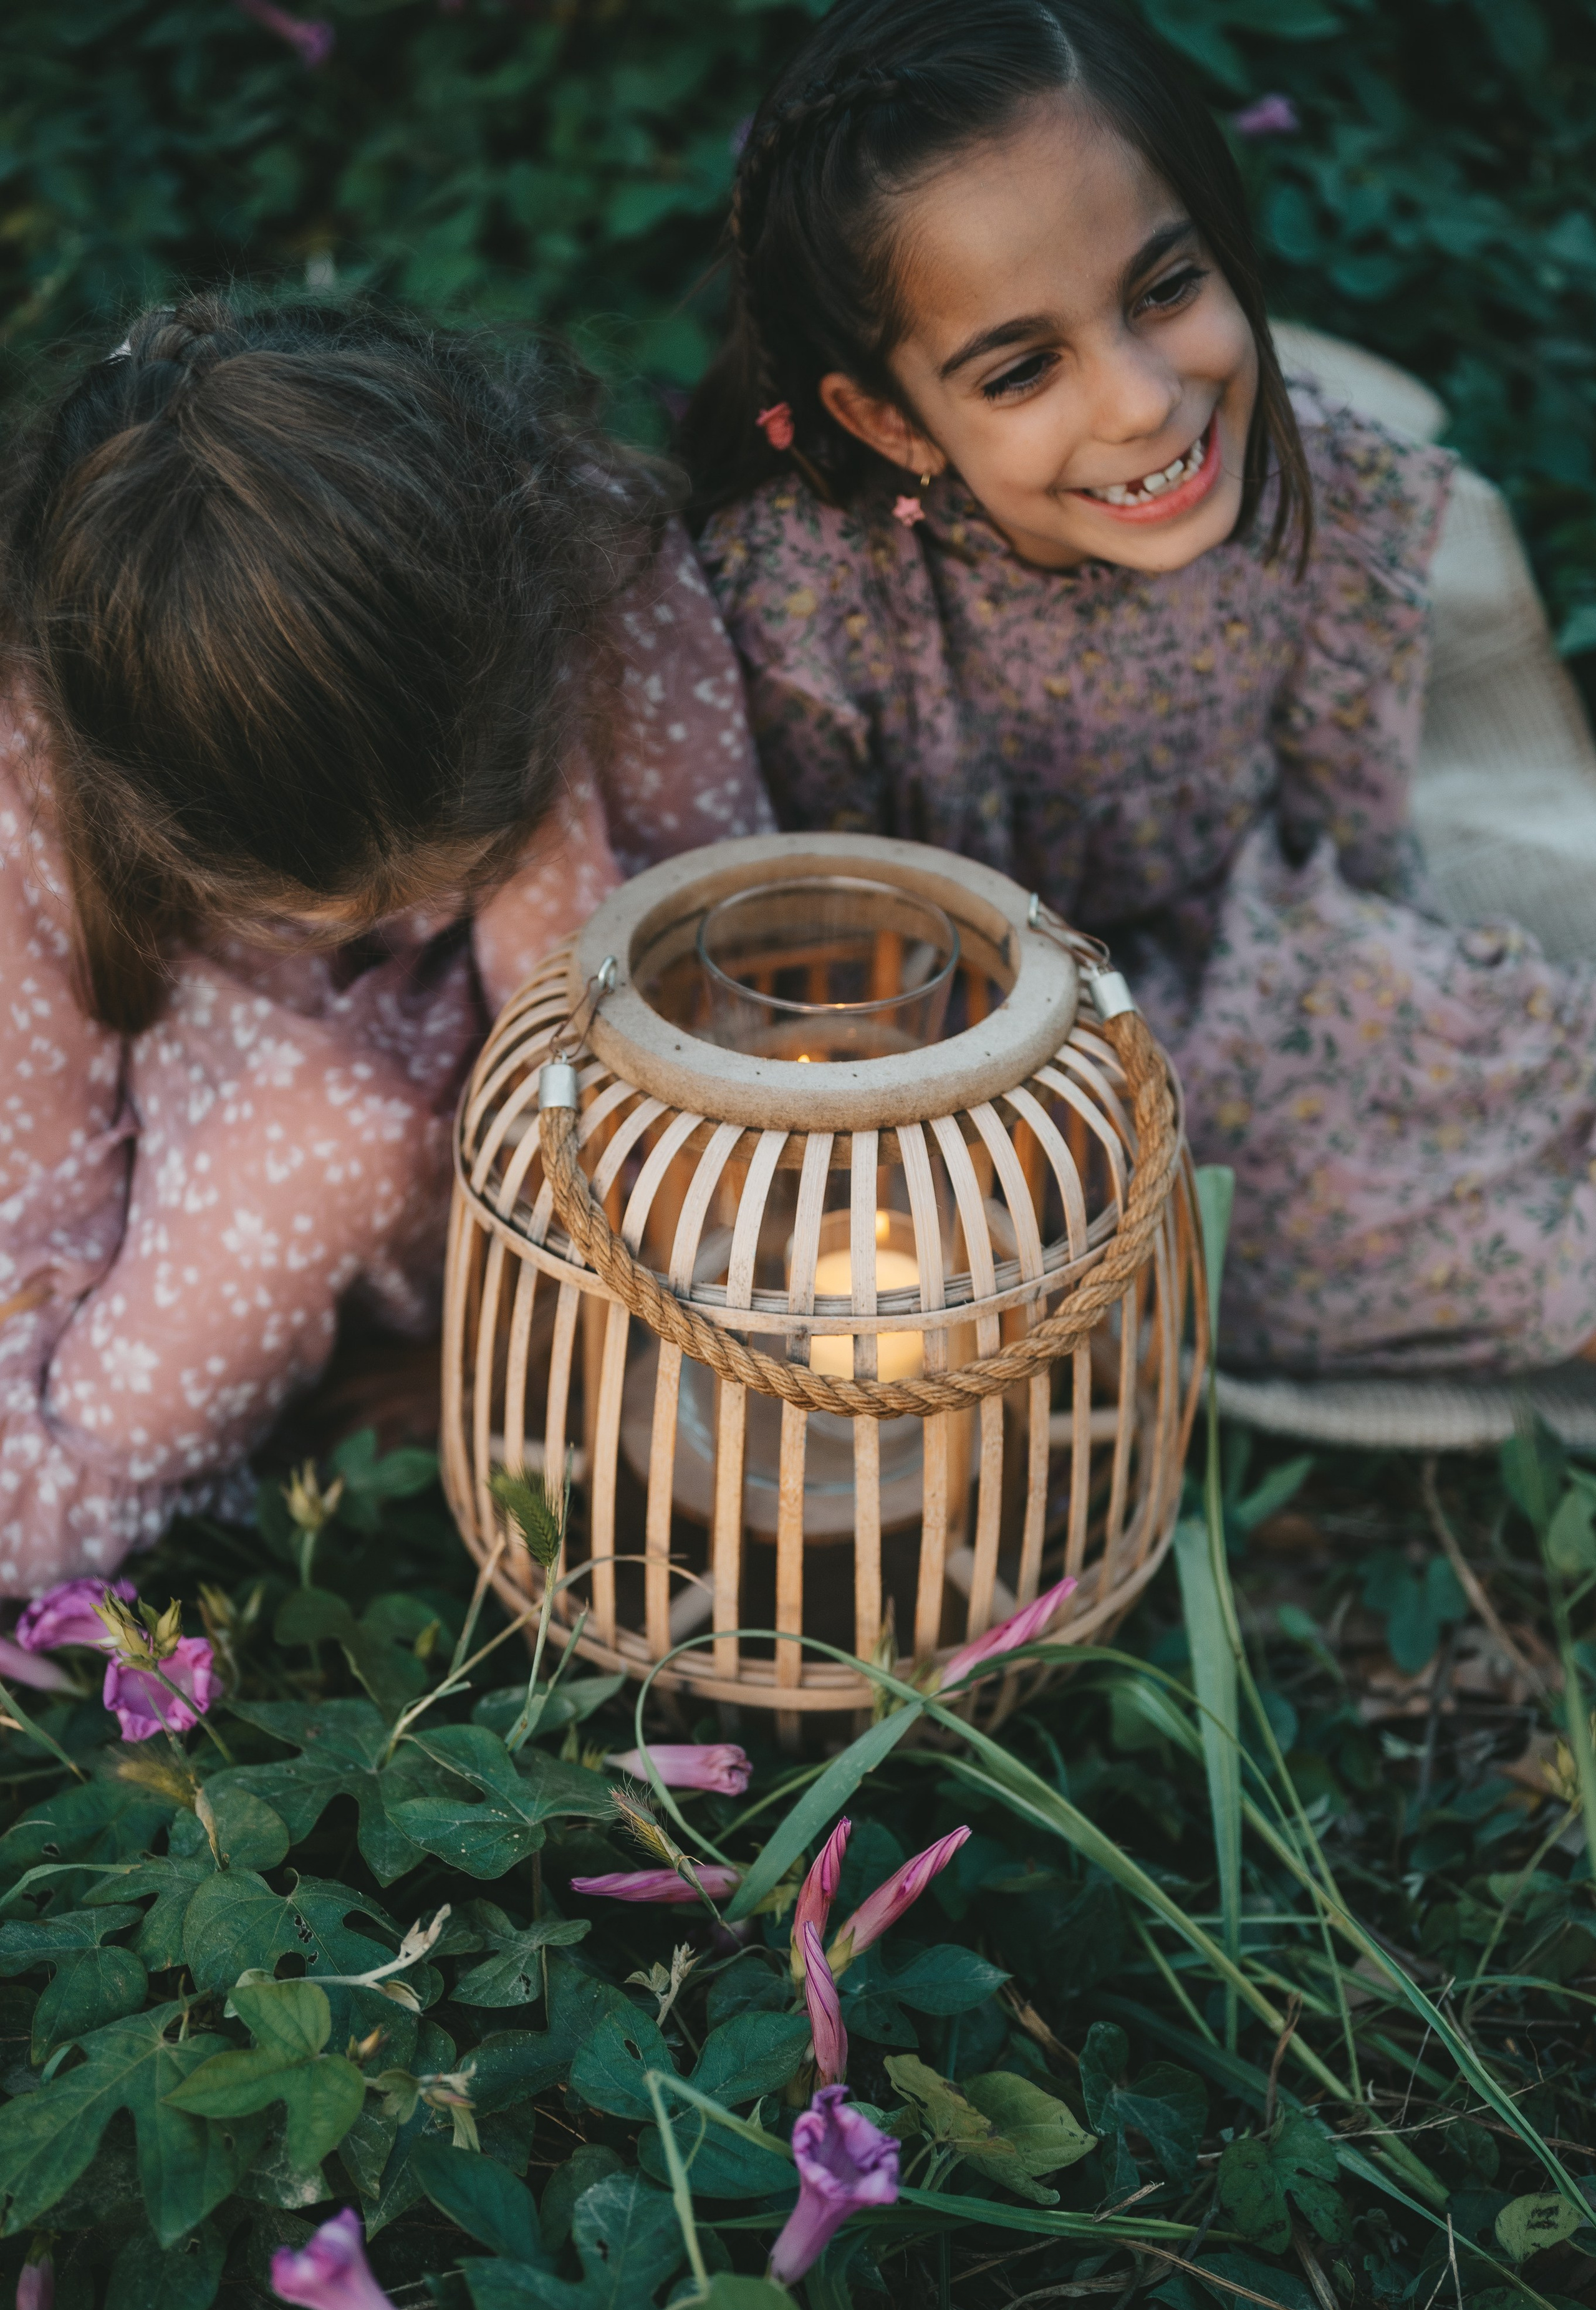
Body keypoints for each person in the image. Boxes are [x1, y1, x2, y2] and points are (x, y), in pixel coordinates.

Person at [686, 0, 1596, 1380]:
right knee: (1279, 1231)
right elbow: (821, 984)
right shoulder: (818, 608)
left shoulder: (1324, 500)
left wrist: (1393, 1025)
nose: (1137, 401)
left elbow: (1340, 843)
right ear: (888, 418)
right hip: (983, 1074)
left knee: (1518, 1047)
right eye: (1020, 368)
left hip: (1256, 944)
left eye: (1163, 291)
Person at [0, 295, 770, 1589]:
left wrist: (526, 1342)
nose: (367, 922)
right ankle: (103, 1526)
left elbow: (718, 959)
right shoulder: (34, 752)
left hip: (537, 1153)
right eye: (309, 907)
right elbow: (37, 1202)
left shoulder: (574, 557)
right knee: (327, 1137)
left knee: (670, 1108)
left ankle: (546, 1346)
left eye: (439, 866)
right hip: (219, 1150)